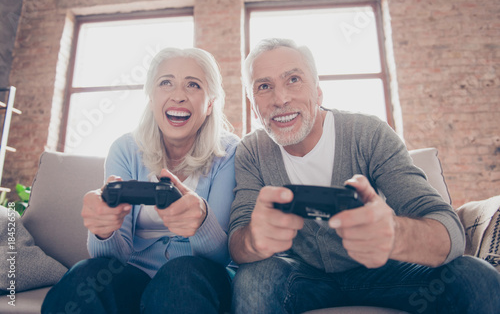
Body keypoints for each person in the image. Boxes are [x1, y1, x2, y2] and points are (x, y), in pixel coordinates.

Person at [228, 38, 500, 313]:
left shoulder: (369, 133)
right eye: (264, 87)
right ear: (253, 105)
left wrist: (394, 234)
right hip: (303, 279)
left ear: (318, 92)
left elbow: (447, 228)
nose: (281, 99)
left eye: (294, 80)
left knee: (472, 275)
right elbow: (237, 242)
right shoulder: (252, 151)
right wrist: (253, 240)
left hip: (385, 273)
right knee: (254, 277)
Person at [42, 47, 239, 314]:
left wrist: (202, 222)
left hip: (198, 279)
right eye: (165, 82)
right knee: (84, 276)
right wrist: (104, 230)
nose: (178, 95)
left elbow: (222, 256)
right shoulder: (125, 149)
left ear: (210, 102)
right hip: (133, 276)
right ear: (151, 97)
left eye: (193, 85)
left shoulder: (229, 152)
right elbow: (113, 258)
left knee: (179, 279)